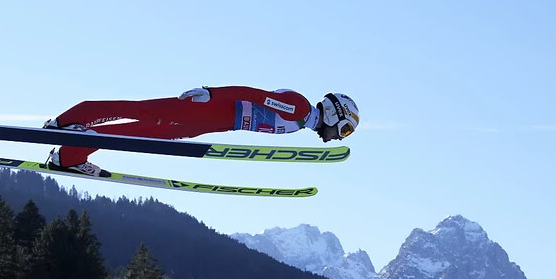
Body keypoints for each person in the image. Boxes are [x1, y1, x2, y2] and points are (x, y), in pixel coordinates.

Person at [43, 86, 360, 176]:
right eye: (344, 128)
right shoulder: (301, 109)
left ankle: (69, 153)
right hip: (210, 111)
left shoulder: (300, 122)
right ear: (335, 112)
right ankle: (67, 123)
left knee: (144, 133)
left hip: (213, 122)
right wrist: (212, 93)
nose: (339, 134)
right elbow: (250, 93)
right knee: (140, 112)